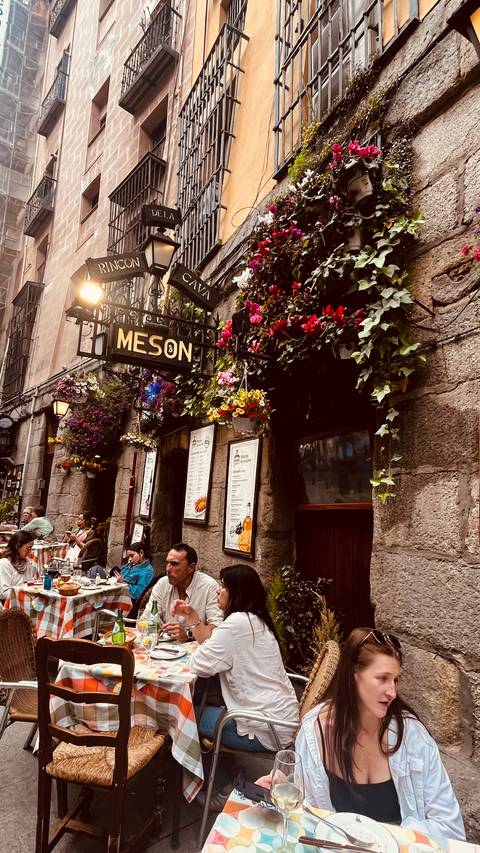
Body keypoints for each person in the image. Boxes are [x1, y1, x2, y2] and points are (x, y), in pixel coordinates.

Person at [294, 627, 465, 845]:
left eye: (395, 680)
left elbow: (451, 828)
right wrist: (281, 786)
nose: (392, 692)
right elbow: (305, 813)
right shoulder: (314, 733)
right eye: (383, 678)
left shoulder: (413, 738)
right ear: (353, 676)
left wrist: (389, 840)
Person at [176, 564, 300, 807]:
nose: (218, 591)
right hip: (279, 716)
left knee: (184, 718)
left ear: (236, 592)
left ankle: (222, 785)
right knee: (202, 700)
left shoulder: (237, 625)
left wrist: (205, 645)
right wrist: (193, 619)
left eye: (223, 586)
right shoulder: (252, 620)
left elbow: (199, 664)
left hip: (264, 726)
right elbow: (213, 643)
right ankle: (228, 771)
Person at [144, 543, 222, 641]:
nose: (168, 569)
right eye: (167, 563)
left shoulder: (209, 587)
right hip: (163, 647)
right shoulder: (162, 584)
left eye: (174, 564)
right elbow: (146, 616)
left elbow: (217, 627)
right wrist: (156, 623)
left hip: (196, 650)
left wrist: (188, 634)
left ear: (191, 567)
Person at [0, 530, 36, 599]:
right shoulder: (4, 564)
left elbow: (32, 583)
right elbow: (4, 593)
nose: (30, 551)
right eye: (28, 548)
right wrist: (24, 592)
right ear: (17, 547)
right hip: (11, 605)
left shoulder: (27, 562)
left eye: (31, 548)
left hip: (27, 601)